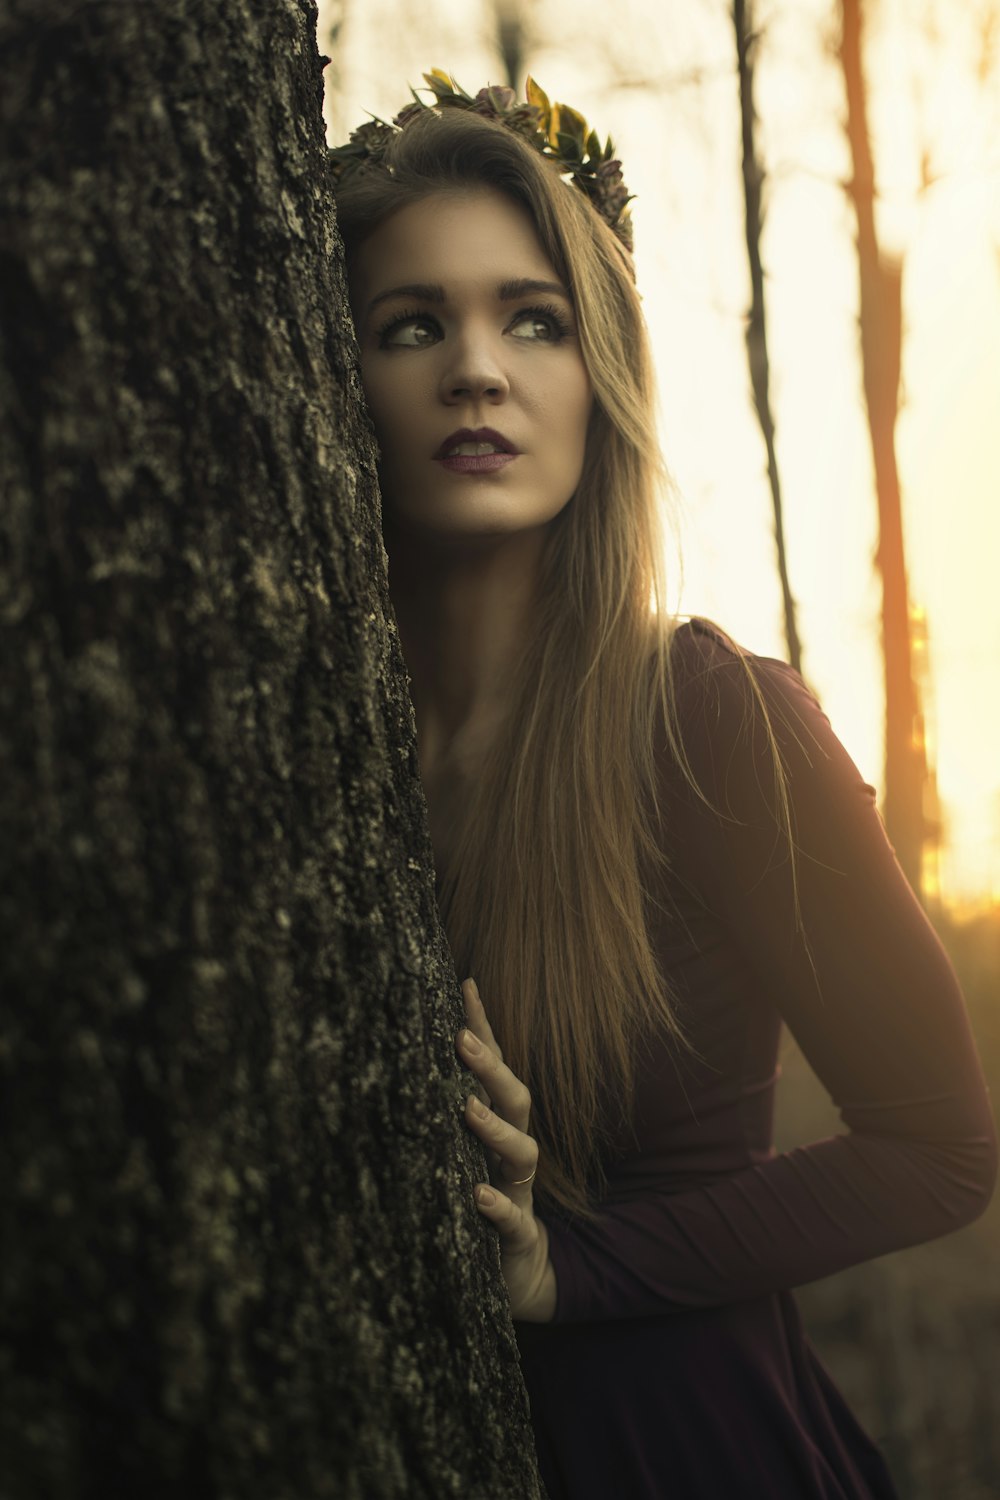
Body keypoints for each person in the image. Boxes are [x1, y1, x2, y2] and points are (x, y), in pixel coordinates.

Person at [330, 72, 998, 1499]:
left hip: (689, 1447)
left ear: (600, 377)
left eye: (534, 318)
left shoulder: (712, 721)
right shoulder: (329, 760)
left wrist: (574, 1266)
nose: (475, 368)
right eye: (410, 325)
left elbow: (941, 1146)